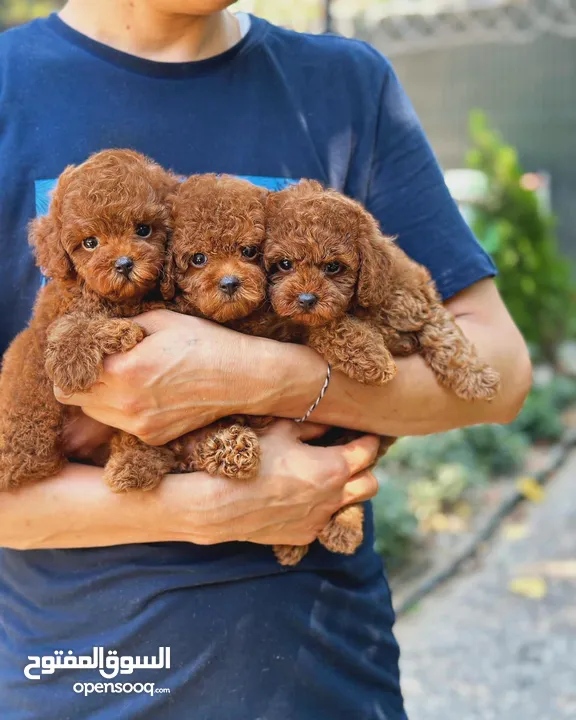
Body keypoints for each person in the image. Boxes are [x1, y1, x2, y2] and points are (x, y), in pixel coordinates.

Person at [0, 1, 531, 717]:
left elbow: (499, 375)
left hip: (327, 677)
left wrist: (265, 377)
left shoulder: (345, 83)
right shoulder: (12, 88)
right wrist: (207, 508)